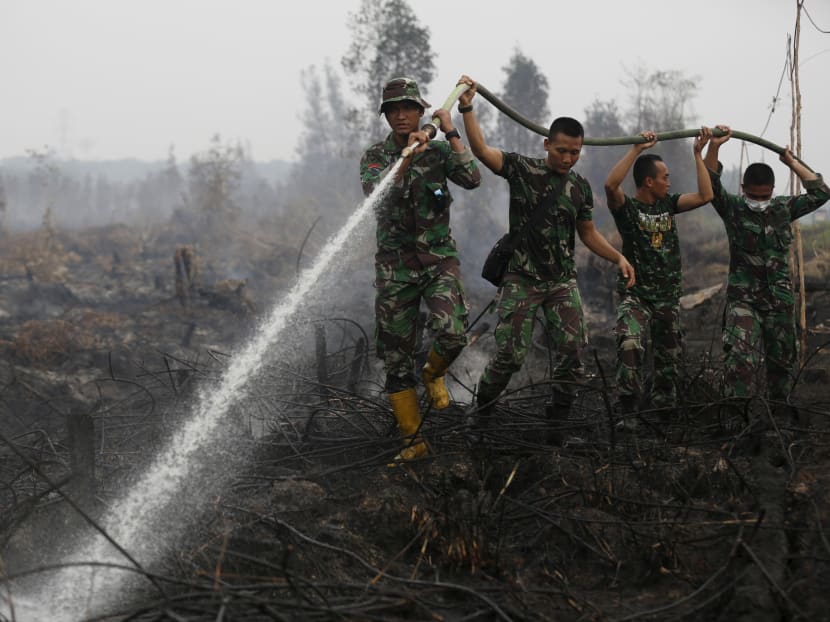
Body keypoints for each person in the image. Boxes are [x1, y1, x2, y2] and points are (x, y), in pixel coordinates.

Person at [456, 75, 635, 424]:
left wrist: (618, 256)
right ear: (546, 145)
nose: (568, 158)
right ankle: (481, 412)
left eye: (575, 152)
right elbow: (481, 151)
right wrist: (467, 108)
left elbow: (588, 233)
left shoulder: (580, 187)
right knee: (510, 354)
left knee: (572, 353)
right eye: (562, 150)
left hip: (560, 284)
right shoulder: (523, 169)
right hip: (521, 280)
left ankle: (558, 422)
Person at [359, 77, 481, 460]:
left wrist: (450, 129)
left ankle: (433, 373)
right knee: (395, 357)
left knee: (452, 333)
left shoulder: (440, 151)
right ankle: (413, 443)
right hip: (395, 270)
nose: (400, 115)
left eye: (407, 108)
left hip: (438, 261)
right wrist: (405, 158)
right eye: (393, 110)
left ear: (420, 110)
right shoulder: (375, 156)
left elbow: (472, 178)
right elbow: (376, 197)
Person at [703, 125, 830, 411]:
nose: (759, 202)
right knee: (739, 358)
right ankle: (739, 416)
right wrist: (714, 146)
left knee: (781, 360)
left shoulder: (783, 208)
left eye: (764, 196)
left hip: (779, 301)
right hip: (743, 301)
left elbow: (821, 193)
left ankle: (778, 415)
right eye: (754, 195)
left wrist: (791, 163)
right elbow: (710, 184)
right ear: (744, 189)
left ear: (772, 191)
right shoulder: (733, 208)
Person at [604, 128, 713, 419]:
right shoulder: (628, 209)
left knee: (669, 360)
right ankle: (628, 411)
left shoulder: (669, 204)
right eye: (665, 177)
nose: (669, 181)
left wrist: (698, 153)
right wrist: (636, 149)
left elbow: (705, 195)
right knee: (629, 342)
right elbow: (610, 185)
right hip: (637, 295)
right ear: (649, 181)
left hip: (667, 297)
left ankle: (665, 413)